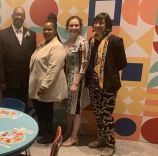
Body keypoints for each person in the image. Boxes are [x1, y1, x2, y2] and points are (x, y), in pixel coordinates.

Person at [86, 13, 127, 156]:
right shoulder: (91, 40)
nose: (97, 25)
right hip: (93, 85)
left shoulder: (115, 41)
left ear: (107, 25)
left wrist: (106, 72)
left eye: (101, 23)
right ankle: (101, 140)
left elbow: (122, 63)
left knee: (106, 116)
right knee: (98, 114)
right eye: (96, 22)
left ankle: (110, 144)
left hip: (108, 85)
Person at [29, 13, 68, 144]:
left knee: (45, 112)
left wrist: (43, 86)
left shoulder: (57, 46)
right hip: (38, 85)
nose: (46, 31)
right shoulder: (44, 43)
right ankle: (46, 132)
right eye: (45, 29)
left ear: (55, 30)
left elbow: (53, 69)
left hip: (45, 87)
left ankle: (49, 135)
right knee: (41, 112)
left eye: (49, 29)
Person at [0, 7, 36, 111]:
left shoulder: (31, 34)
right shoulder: (1, 34)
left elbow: (33, 59)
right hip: (8, 81)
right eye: (17, 14)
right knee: (8, 109)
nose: (19, 17)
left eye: (21, 15)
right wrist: (1, 80)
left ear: (24, 17)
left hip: (25, 80)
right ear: (12, 16)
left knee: (23, 108)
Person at [61, 16, 90, 146]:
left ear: (80, 27)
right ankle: (68, 131)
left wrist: (76, 83)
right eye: (71, 25)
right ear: (67, 27)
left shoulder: (83, 43)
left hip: (76, 81)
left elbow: (84, 64)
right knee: (68, 108)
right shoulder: (66, 43)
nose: (73, 28)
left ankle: (74, 137)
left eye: (76, 25)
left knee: (76, 109)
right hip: (66, 80)